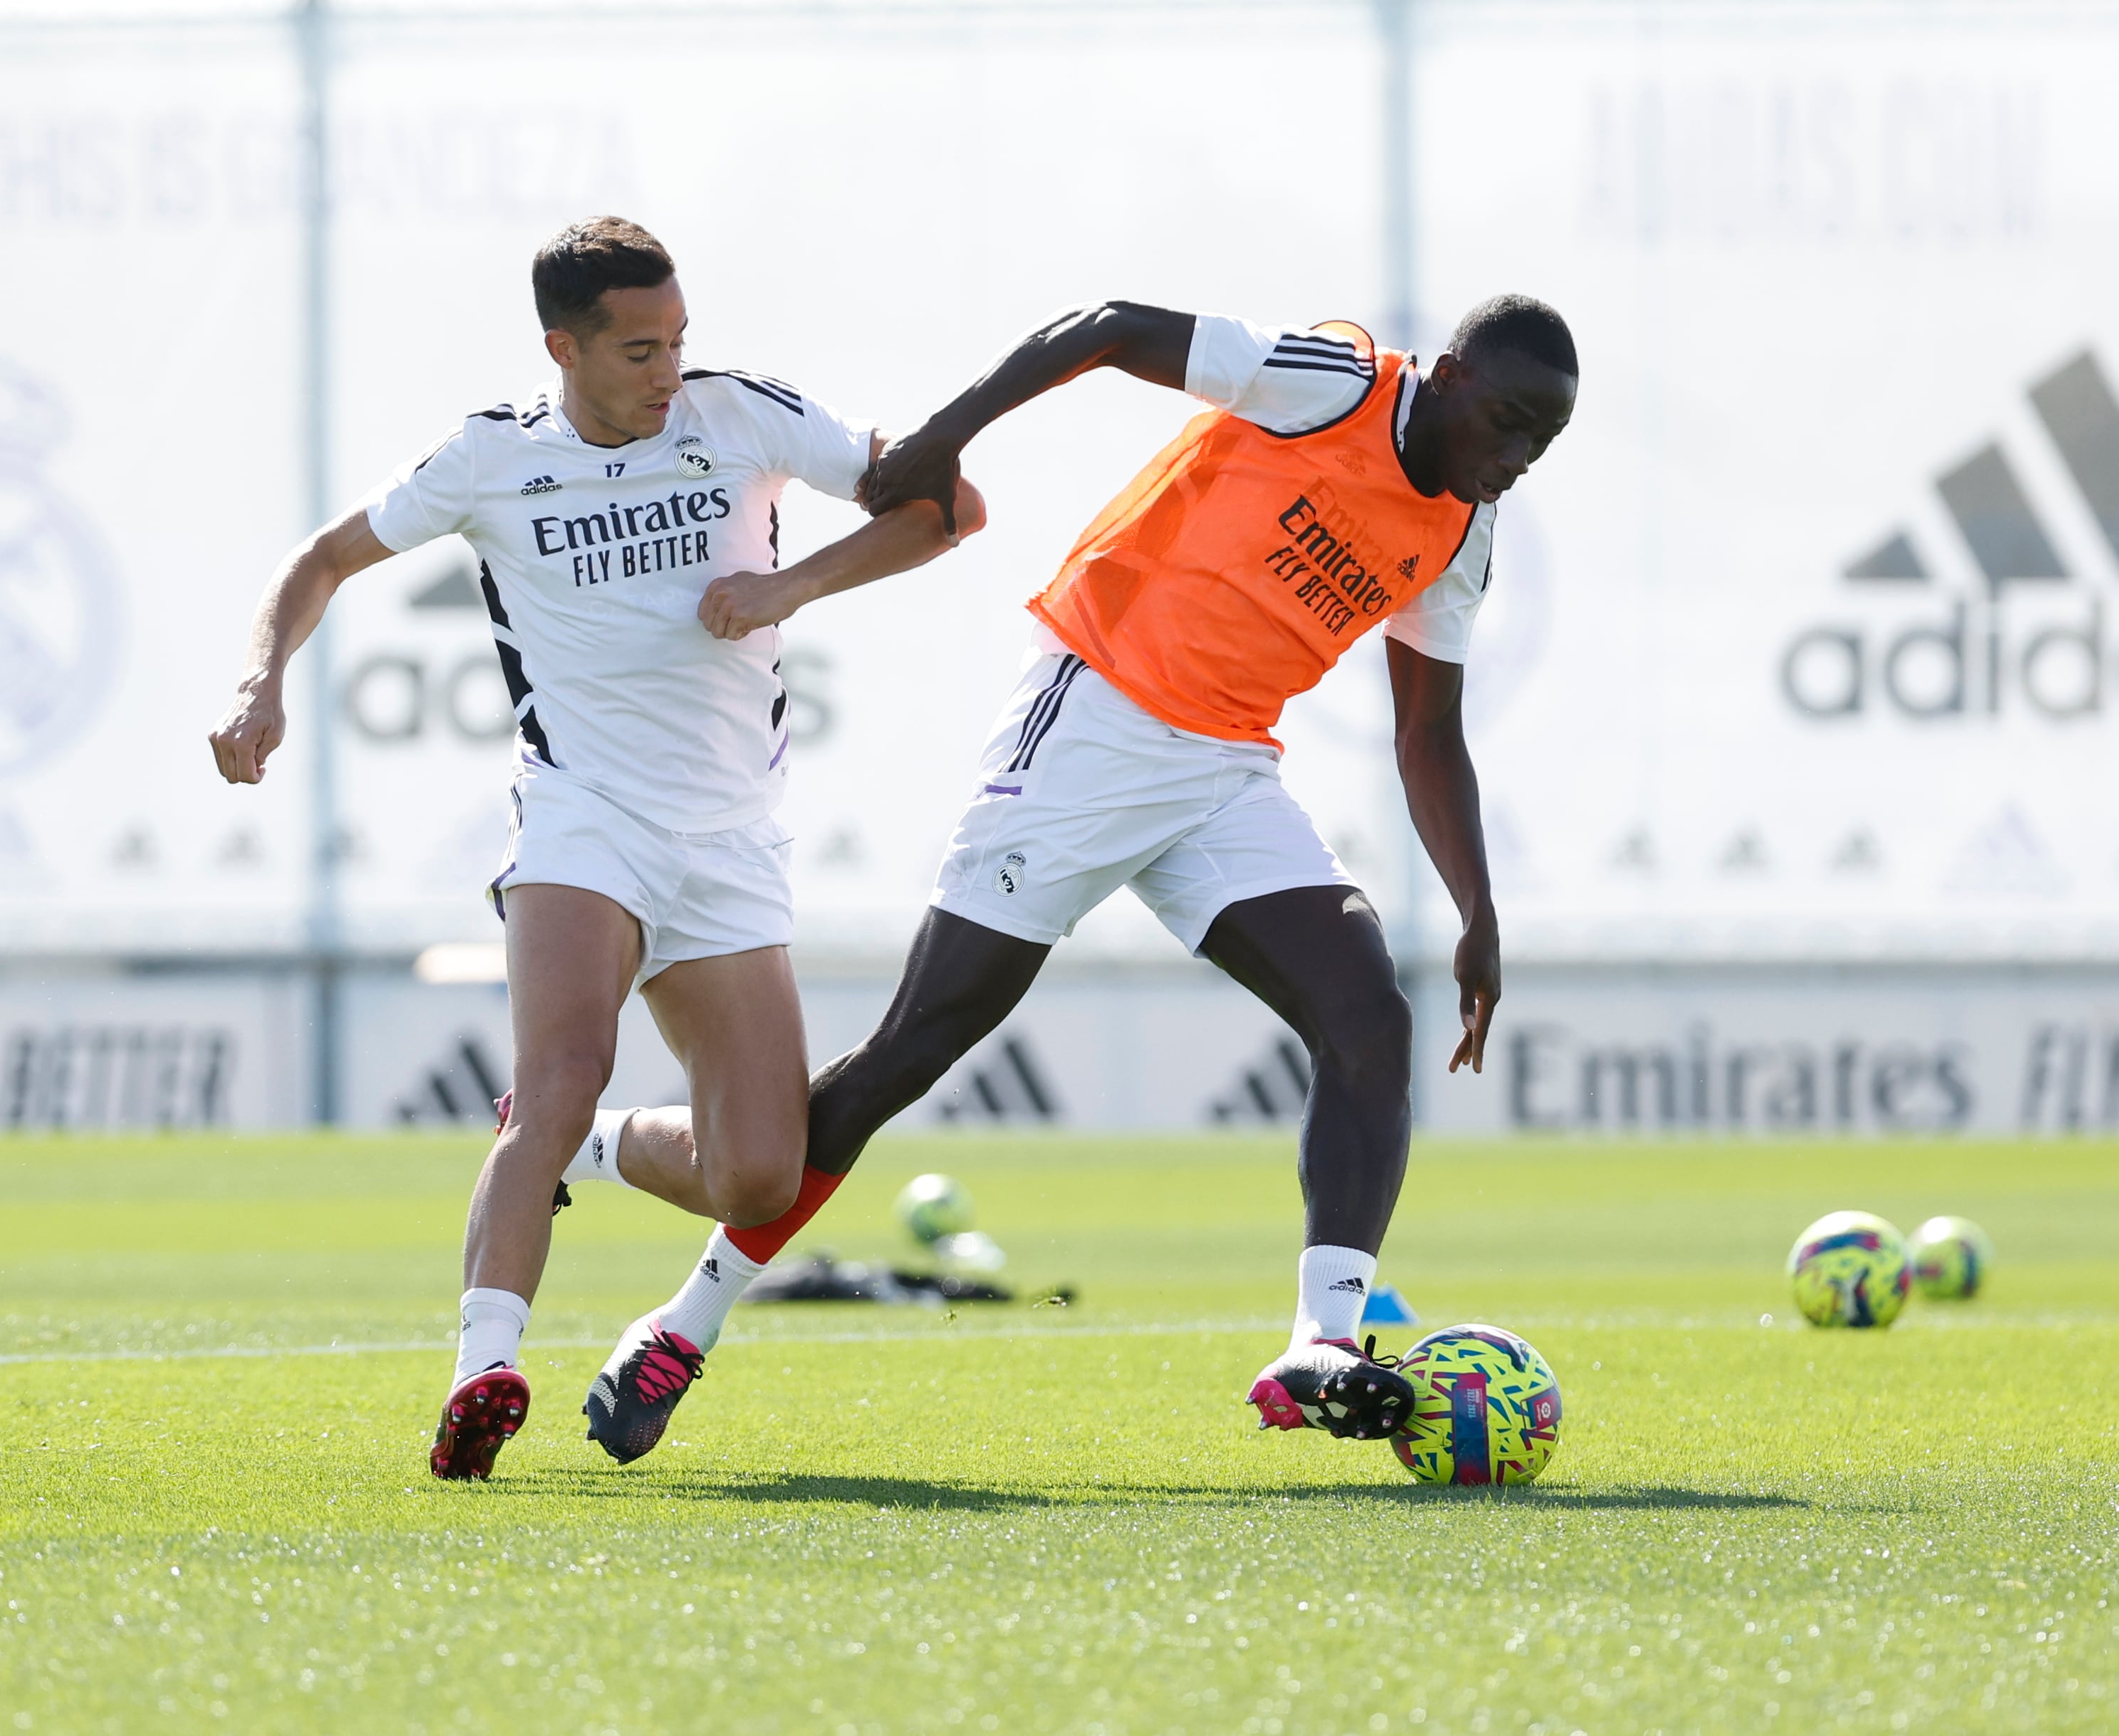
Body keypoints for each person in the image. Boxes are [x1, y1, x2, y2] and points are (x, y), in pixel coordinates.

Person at [635, 293, 1576, 1458]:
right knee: (916, 1047)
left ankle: (1321, 1343)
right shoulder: (1333, 383)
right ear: (1444, 376)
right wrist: (947, 435)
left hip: (1223, 770)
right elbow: (1109, 328)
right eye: (1507, 419)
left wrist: (1476, 909)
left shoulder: (1462, 534)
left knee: (1367, 1017)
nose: (1518, 455)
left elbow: (1428, 733)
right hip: (1093, 720)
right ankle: (683, 1326)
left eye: (1543, 439)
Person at [206, 215, 982, 1479]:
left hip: (730, 840)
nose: (667, 369)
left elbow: (949, 507)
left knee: (753, 1174)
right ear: (560, 348)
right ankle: (484, 1372)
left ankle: (596, 1143)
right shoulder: (488, 458)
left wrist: (790, 590)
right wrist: (259, 686)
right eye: (636, 350)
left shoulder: (742, 416)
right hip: (581, 816)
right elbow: (322, 559)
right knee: (562, 1067)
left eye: (678, 339)